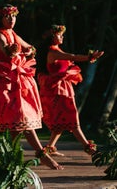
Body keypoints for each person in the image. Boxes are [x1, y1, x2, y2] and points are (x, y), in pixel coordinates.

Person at [0, 4, 63, 170]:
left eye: (14, 16)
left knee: (18, 124)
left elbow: (28, 47)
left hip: (18, 82)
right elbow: (8, 52)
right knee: (20, 122)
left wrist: (29, 50)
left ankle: (12, 160)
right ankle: (40, 154)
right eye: (8, 17)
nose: (12, 19)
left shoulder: (13, 34)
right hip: (6, 84)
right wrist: (15, 51)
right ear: (1, 19)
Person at [36, 25, 104, 156]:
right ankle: (89, 148)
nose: (62, 36)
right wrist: (89, 57)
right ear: (52, 36)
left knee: (61, 123)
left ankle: (49, 148)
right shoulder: (53, 52)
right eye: (59, 34)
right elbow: (72, 57)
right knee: (72, 120)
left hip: (62, 89)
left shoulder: (56, 50)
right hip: (58, 91)